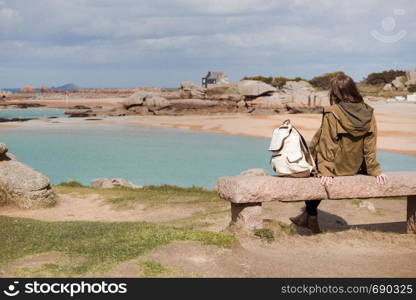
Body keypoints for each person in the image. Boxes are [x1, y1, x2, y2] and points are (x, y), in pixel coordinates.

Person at [290, 74, 388, 234]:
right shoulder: (368, 112)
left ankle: (312, 217)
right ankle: (305, 217)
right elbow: (370, 144)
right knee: (316, 169)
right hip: (354, 166)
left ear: (335, 93)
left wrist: (326, 171)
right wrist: (374, 170)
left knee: (311, 171)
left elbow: (328, 143)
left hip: (335, 167)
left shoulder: (333, 112)